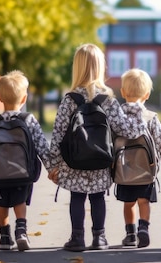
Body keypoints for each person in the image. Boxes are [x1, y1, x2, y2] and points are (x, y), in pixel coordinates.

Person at [47, 43, 148, 252]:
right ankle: (99, 237)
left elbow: (57, 134)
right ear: (101, 67)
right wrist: (141, 119)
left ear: (77, 67)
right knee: (98, 197)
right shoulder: (107, 99)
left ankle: (77, 238)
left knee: (77, 196)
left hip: (74, 160)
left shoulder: (69, 99)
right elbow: (124, 129)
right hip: (101, 160)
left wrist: (52, 166)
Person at [0, 70, 51, 251]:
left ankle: (4, 237)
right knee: (20, 202)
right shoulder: (29, 120)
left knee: (2, 204)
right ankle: (21, 231)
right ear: (24, 98)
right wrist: (52, 168)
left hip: (0, 173)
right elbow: (42, 146)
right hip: (22, 172)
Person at [116, 68, 161, 248]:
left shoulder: (117, 118)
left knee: (128, 203)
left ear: (123, 92)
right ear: (147, 95)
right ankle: (144, 229)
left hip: (123, 172)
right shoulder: (151, 117)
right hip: (146, 169)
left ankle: (130, 234)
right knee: (144, 202)